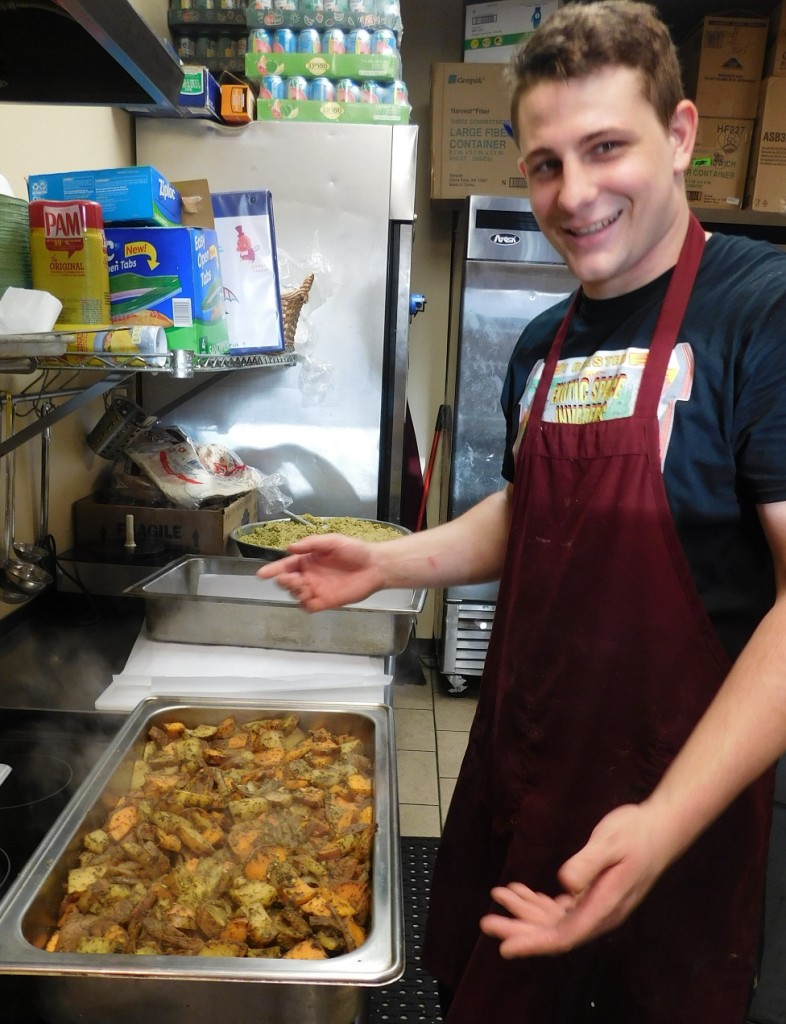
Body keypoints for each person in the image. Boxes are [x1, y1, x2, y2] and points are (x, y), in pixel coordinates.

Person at [258, 2, 786, 1021]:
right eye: (546, 163)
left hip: (678, 806)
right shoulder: (547, 342)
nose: (574, 193)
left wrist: (661, 823)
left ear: (679, 136)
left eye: (605, 148)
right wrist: (388, 563)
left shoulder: (759, 312)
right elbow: (535, 505)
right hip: (530, 769)